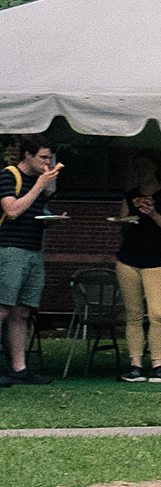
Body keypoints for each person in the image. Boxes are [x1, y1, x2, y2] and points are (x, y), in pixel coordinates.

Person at [0, 137, 63, 386]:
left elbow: (31, 214)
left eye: (50, 158)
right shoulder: (8, 176)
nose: (48, 163)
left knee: (22, 311)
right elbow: (12, 210)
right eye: (43, 158)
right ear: (27, 155)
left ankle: (19, 369)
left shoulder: (40, 181)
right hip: (10, 249)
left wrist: (50, 218)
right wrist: (39, 186)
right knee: (3, 307)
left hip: (33, 250)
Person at [115, 151, 161, 384]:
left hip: (156, 260)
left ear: (155, 166)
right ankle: (135, 366)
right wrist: (126, 221)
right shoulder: (130, 196)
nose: (140, 171)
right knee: (133, 315)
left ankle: (158, 366)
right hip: (128, 260)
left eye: (144, 166)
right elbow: (122, 226)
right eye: (136, 167)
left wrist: (153, 214)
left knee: (158, 314)